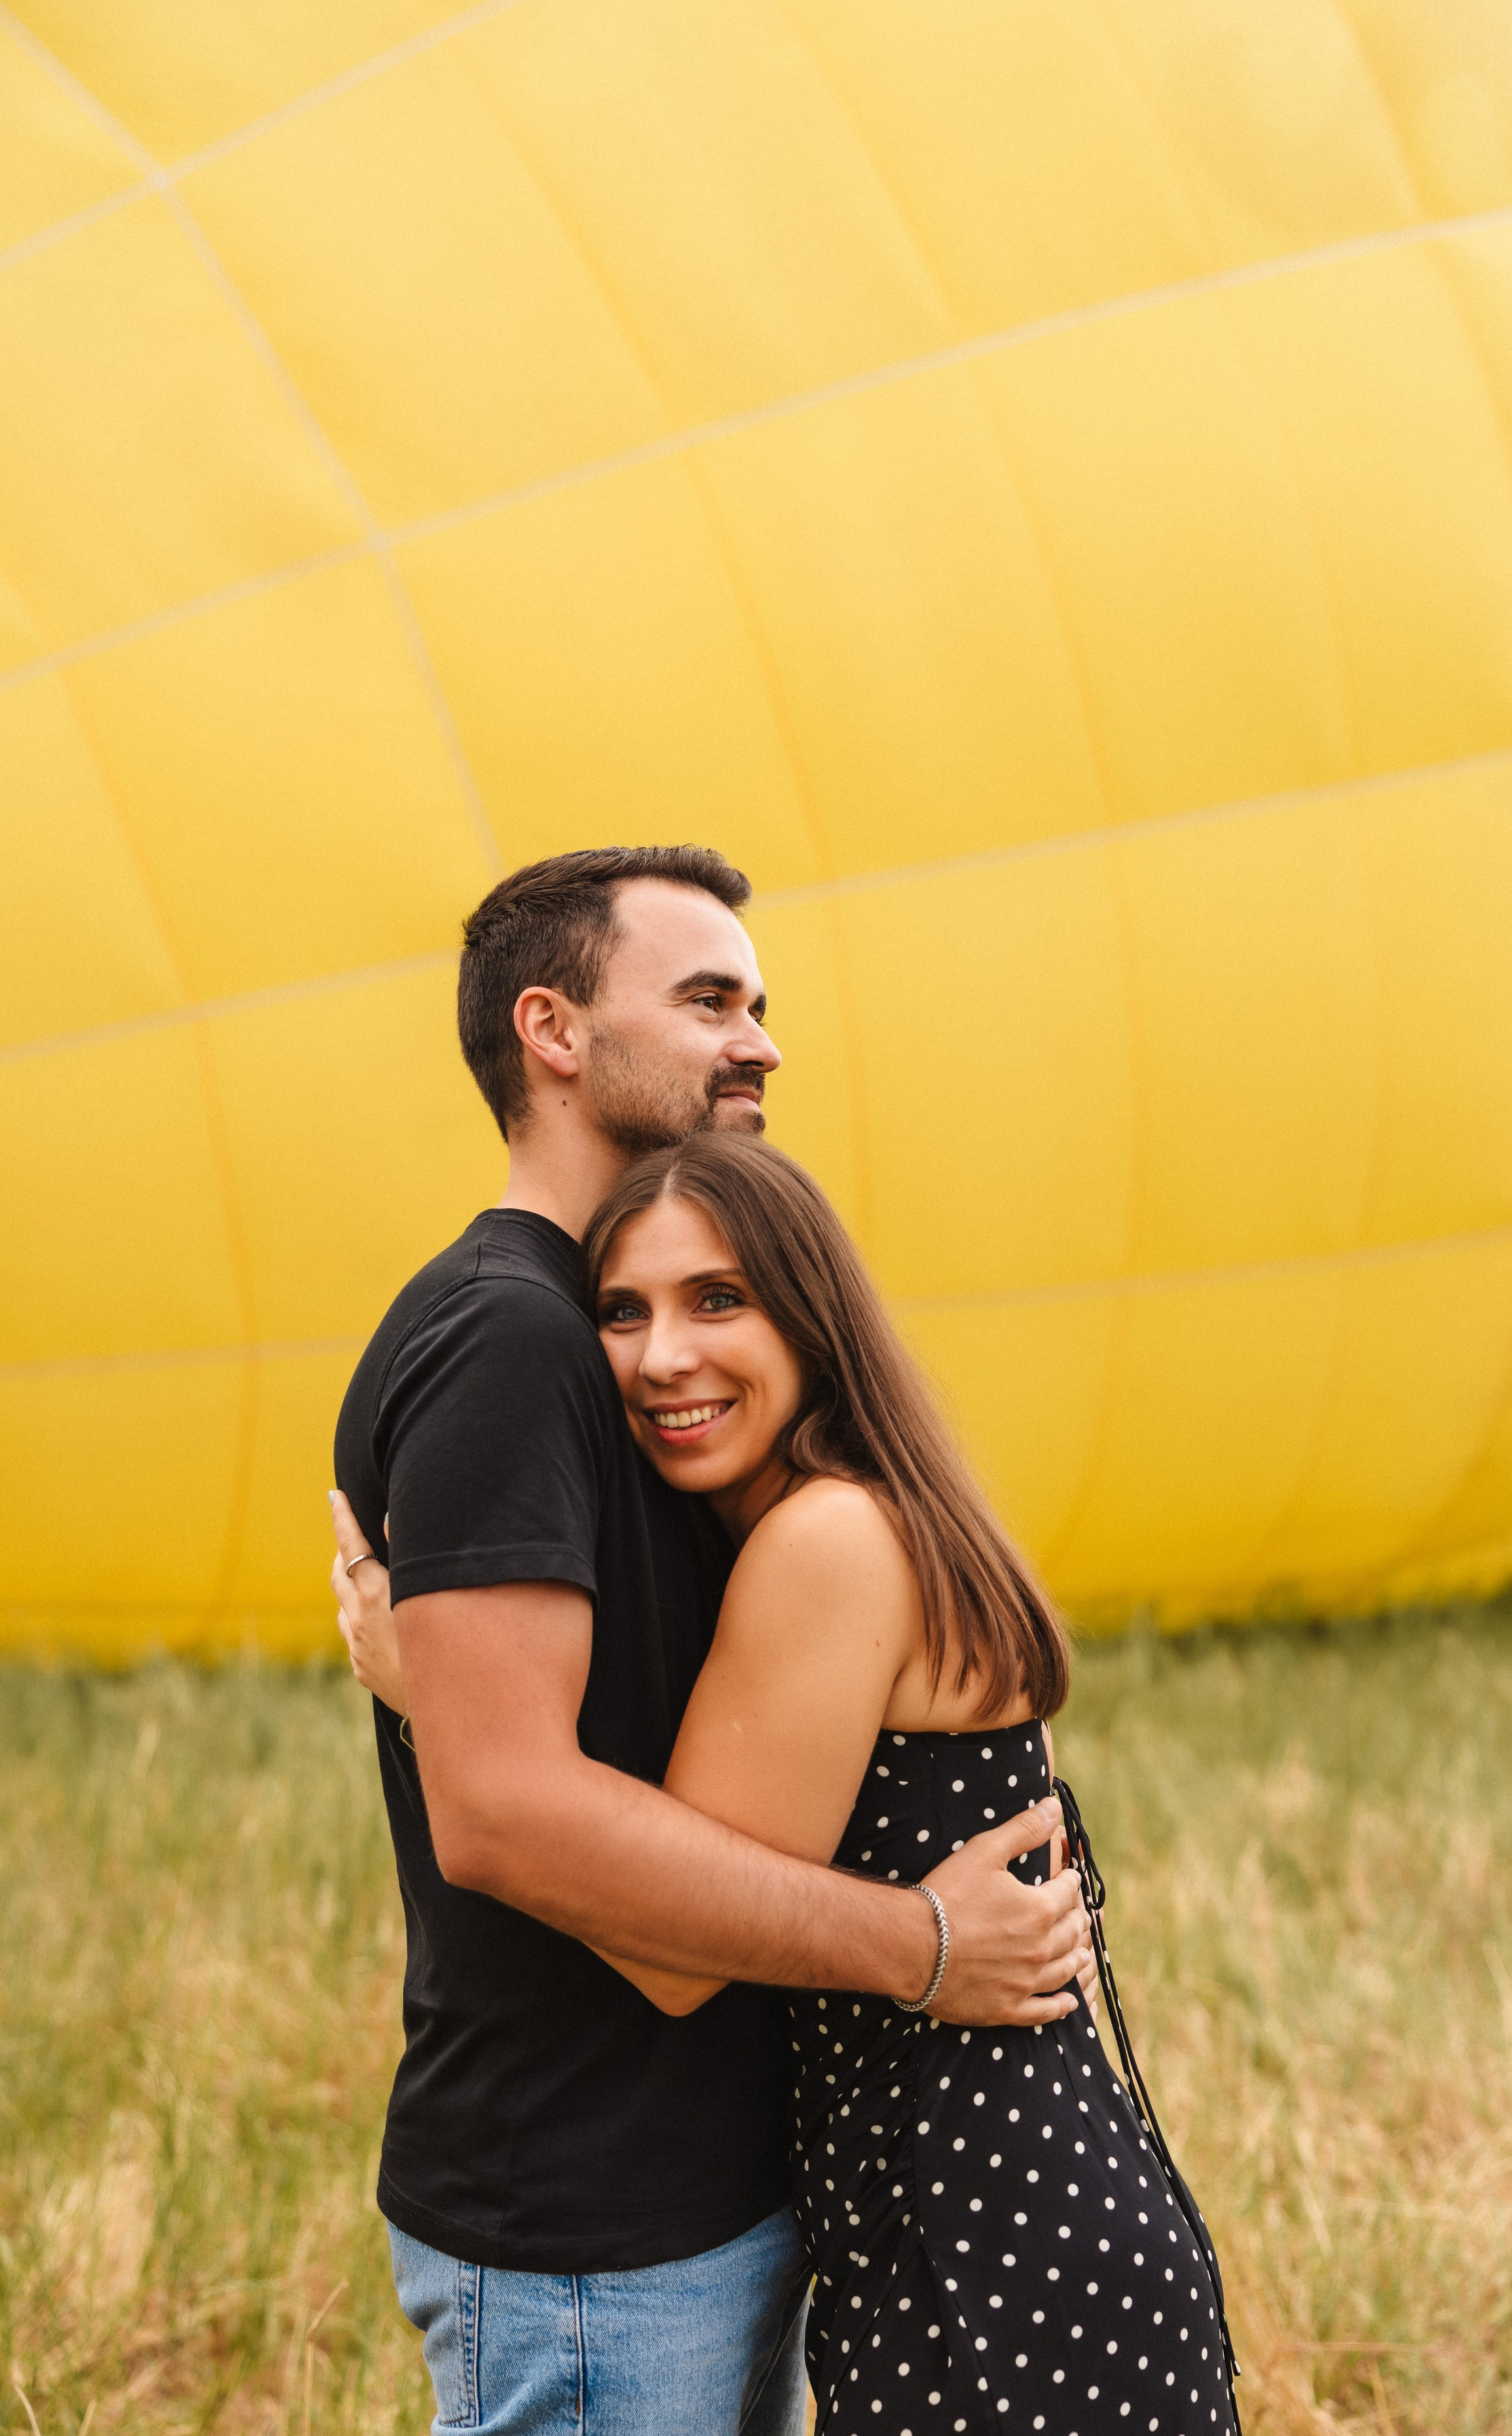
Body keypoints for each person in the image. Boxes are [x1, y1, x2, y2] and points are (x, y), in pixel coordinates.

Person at [331, 847, 1091, 2436]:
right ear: (551, 1029)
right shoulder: (513, 1340)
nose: (759, 1042)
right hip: (588, 2228)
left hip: (707, 2202)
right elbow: (506, 1809)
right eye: (707, 1001)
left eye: (759, 1005)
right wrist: (922, 1946)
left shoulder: (613, 1353)